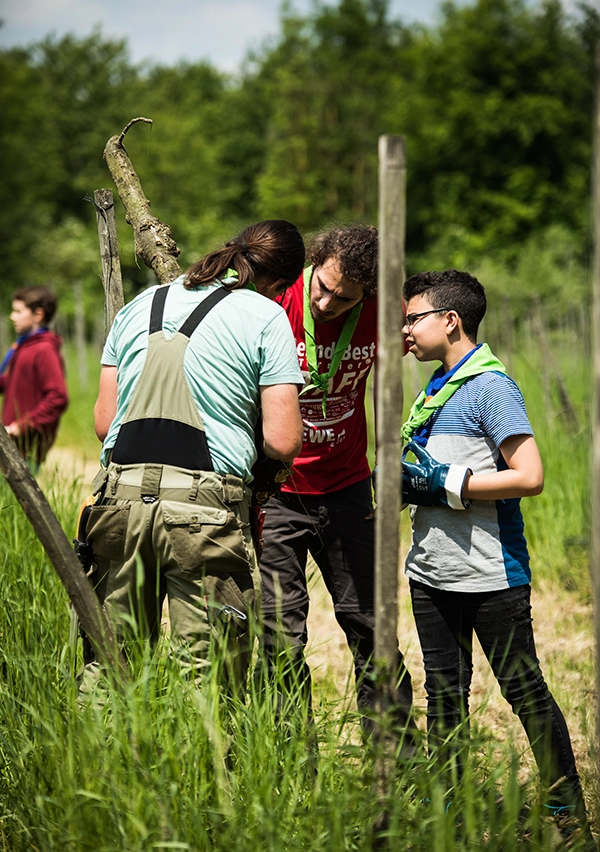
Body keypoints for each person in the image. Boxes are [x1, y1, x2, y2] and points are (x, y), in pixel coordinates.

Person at [401, 268, 593, 839]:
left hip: (490, 574)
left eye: (413, 319)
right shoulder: (436, 387)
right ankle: (450, 812)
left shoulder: (490, 387)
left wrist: (447, 483)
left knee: (523, 689)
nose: (404, 329)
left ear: (450, 320)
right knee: (443, 694)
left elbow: (529, 476)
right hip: (431, 571)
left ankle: (566, 815)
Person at [81, 220, 305, 694]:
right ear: (281, 284)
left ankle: (95, 745)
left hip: (118, 502)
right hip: (204, 511)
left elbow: (104, 423)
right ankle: (201, 748)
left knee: (110, 666)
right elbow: (282, 441)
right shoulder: (267, 316)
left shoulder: (140, 304)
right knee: (207, 676)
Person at [258, 225, 417, 746]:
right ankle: (288, 754)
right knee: (280, 632)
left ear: (367, 295)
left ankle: (394, 755)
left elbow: (399, 378)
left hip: (348, 487)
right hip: (277, 490)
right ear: (315, 264)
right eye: (322, 287)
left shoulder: (384, 312)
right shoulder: (277, 299)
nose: (326, 303)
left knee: (370, 624)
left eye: (344, 298)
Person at [0, 285, 68, 468]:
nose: (12, 316)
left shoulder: (44, 350)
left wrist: (21, 427)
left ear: (38, 315)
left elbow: (58, 397)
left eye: (18, 311)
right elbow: (15, 382)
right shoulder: (25, 346)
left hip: (25, 448)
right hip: (11, 446)